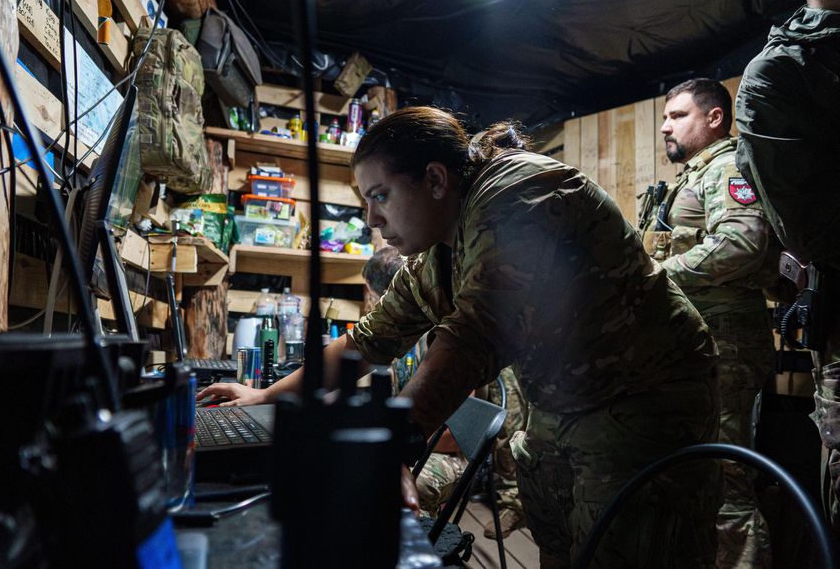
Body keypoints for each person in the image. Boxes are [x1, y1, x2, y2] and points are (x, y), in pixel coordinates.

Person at [200, 106, 721, 567]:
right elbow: (370, 339)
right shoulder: (438, 251)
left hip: (646, 402)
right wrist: (264, 396)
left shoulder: (518, 193)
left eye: (380, 195)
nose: (373, 219)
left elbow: (475, 333)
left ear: (434, 179)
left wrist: (391, 447)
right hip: (566, 407)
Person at [638, 79, 774, 568]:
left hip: (726, 344)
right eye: (665, 117)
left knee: (727, 479)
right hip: (698, 343)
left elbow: (742, 242)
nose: (664, 126)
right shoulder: (692, 176)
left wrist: (654, 276)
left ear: (714, 118)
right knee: (699, 475)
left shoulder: (726, 167)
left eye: (677, 116)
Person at [735, 0, 840, 529]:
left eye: (676, 114)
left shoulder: (783, 72)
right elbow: (806, 231)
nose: (664, 125)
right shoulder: (785, 70)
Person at [362, 247, 527, 539]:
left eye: (379, 295)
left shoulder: (444, 341)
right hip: (415, 444)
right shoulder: (398, 340)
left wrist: (393, 443)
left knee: (385, 485)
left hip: (449, 452)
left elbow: (457, 437)